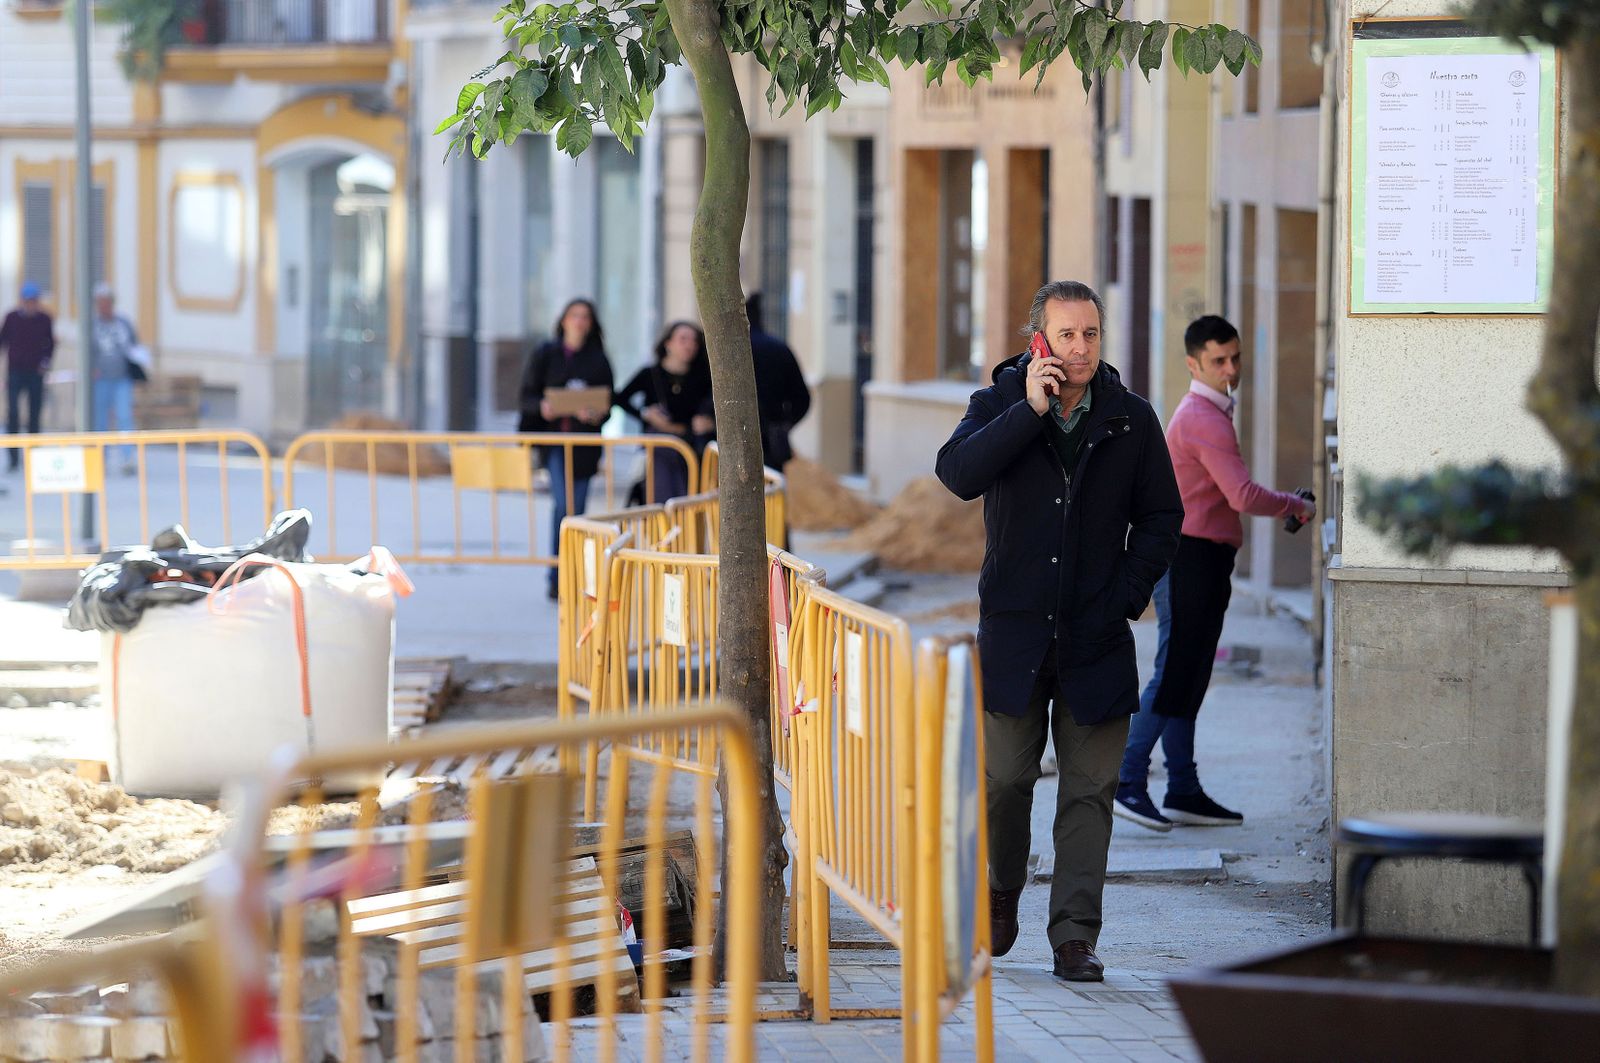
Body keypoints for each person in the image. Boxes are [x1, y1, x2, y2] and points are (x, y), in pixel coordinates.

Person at [935, 281, 1182, 983]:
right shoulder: (999, 404)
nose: (1080, 348)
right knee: (1006, 778)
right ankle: (1001, 888)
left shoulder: (1132, 419)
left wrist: (1126, 597)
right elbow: (957, 473)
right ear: (1037, 338)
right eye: (1067, 335)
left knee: (1089, 789)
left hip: (1096, 637)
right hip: (1015, 635)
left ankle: (1074, 934)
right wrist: (1029, 410)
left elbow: (1163, 517)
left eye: (1091, 334)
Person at [1114, 315, 1315, 832]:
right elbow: (1241, 494)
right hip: (1189, 556)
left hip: (1205, 557)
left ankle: (1182, 787)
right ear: (1193, 364)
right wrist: (1294, 505)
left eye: (1235, 357)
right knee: (1174, 673)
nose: (1230, 369)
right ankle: (1127, 780)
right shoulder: (1202, 416)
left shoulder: (1211, 411)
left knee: (1190, 677)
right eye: (1218, 361)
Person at [518, 298, 615, 600]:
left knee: (579, 511)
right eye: (574, 315)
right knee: (563, 506)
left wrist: (595, 413)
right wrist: (543, 407)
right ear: (563, 320)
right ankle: (556, 575)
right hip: (555, 442)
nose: (579, 321)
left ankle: (574, 576)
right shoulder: (546, 353)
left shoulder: (598, 359)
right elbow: (526, 397)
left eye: (585, 316)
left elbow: (607, 404)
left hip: (585, 445)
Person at [615, 320, 715, 504]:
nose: (689, 345)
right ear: (668, 343)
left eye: (694, 341)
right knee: (660, 495)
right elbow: (620, 398)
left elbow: (713, 408)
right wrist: (645, 413)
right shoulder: (650, 374)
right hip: (659, 446)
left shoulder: (704, 376)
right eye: (683, 339)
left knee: (690, 498)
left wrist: (709, 422)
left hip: (691, 446)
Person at [745, 293, 810, 469]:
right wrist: (783, 424)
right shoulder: (779, 348)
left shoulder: (723, 353)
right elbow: (802, 399)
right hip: (772, 444)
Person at [0, 281, 54, 472]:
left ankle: (33, 457)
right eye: (27, 300)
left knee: (34, 415)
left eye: (34, 300)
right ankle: (13, 458)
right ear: (22, 300)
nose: (31, 304)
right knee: (13, 414)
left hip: (35, 373)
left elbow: (49, 344)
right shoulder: (11, 318)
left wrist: (45, 363)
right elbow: (3, 341)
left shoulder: (45, 319)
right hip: (15, 372)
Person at [90, 283, 141, 473]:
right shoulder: (93, 325)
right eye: (100, 303)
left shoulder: (123, 323)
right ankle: (99, 458)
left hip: (122, 379)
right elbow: (87, 350)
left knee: (124, 417)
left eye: (106, 302)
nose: (103, 306)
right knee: (99, 420)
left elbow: (134, 346)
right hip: (100, 379)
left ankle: (127, 457)